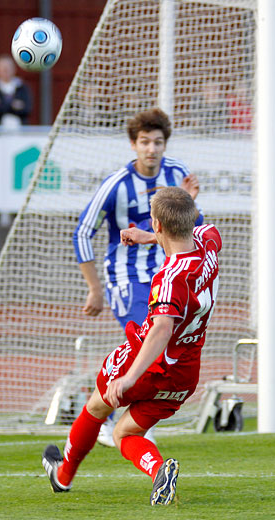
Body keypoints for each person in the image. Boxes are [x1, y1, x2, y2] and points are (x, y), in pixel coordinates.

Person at [43, 186, 221, 505]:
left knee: (97, 407)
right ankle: (158, 472)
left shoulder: (168, 278)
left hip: (147, 364)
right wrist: (148, 237)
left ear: (157, 223)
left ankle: (63, 475)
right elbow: (189, 232)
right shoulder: (209, 241)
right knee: (124, 434)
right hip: (185, 373)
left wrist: (129, 377)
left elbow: (162, 328)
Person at [73, 108, 201, 446]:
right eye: (144, 142)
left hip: (166, 274)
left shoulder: (178, 173)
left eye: (158, 142)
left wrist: (192, 204)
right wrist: (94, 288)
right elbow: (82, 233)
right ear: (133, 144)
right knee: (151, 341)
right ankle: (122, 417)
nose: (151, 149)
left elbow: (193, 225)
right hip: (126, 279)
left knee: (165, 343)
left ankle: (122, 414)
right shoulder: (116, 184)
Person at [0, 54, 32, 127]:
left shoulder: (22, 88)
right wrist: (13, 105)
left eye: (8, 68)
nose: (5, 71)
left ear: (14, 69)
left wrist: (2, 104)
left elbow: (27, 108)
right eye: (2, 68)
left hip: (21, 132)